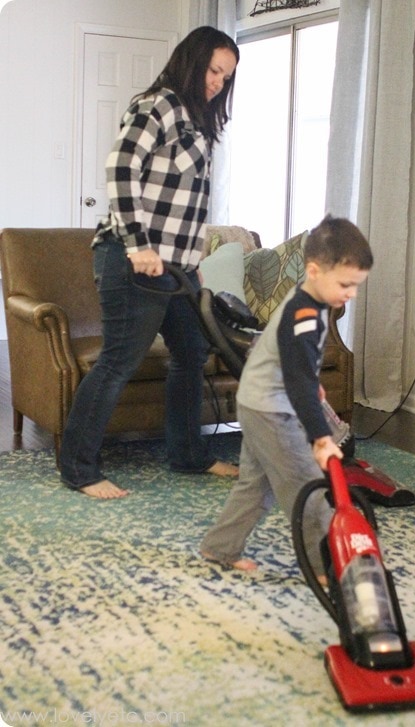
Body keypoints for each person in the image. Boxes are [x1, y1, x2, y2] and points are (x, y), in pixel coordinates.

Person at [59, 26, 240, 499]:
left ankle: (187, 455)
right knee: (120, 360)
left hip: (174, 267)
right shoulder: (157, 105)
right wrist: (138, 245)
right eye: (213, 69)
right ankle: (78, 468)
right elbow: (121, 168)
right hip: (130, 257)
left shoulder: (199, 124)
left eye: (227, 76)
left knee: (191, 352)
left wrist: (191, 261)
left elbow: (185, 203)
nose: (219, 81)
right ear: (191, 61)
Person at [200, 215, 373, 578]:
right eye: (345, 284)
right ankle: (325, 565)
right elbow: (296, 384)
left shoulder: (308, 299)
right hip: (271, 409)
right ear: (314, 270)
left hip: (256, 400)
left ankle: (219, 548)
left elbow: (290, 360)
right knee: (306, 485)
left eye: (356, 285)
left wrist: (309, 378)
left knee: (254, 485)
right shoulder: (305, 315)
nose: (351, 294)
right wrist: (321, 438)